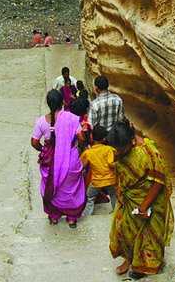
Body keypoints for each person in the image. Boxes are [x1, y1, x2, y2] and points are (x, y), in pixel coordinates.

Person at [107, 121, 173, 278]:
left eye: (121, 149)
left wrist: (144, 207)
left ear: (131, 140)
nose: (119, 152)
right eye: (116, 149)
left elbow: (158, 182)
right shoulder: (121, 147)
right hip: (127, 197)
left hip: (148, 200)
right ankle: (129, 259)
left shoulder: (149, 153)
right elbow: (120, 167)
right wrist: (118, 187)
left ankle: (144, 266)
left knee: (148, 233)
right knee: (124, 230)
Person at [30, 90, 86, 227]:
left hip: (50, 160)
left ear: (48, 104)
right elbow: (81, 138)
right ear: (62, 102)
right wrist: (80, 149)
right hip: (70, 158)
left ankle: (54, 216)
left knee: (52, 187)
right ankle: (72, 218)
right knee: (71, 187)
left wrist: (43, 149)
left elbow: (34, 142)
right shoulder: (71, 118)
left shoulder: (41, 122)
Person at [80, 125, 117, 217]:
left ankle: (87, 214)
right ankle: (115, 212)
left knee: (90, 197)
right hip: (111, 180)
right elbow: (111, 162)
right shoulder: (109, 150)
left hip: (96, 181)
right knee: (113, 195)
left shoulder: (88, 152)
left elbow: (80, 166)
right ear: (104, 138)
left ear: (91, 136)